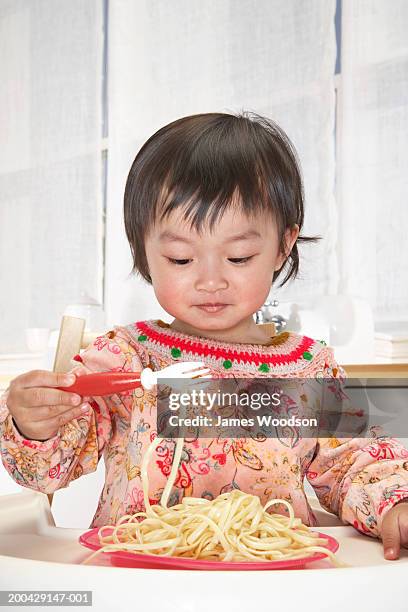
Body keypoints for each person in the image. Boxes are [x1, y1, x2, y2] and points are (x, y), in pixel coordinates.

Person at [1, 111, 408, 561]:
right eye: (180, 259)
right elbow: (49, 470)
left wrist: (396, 503)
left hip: (271, 575)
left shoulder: (308, 368)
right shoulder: (122, 358)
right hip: (140, 578)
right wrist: (33, 425)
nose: (210, 281)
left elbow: (352, 461)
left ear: (283, 246)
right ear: (144, 251)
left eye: (238, 257)